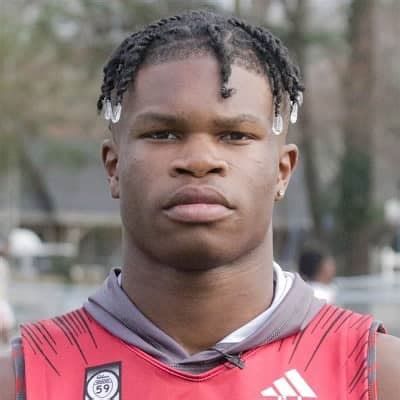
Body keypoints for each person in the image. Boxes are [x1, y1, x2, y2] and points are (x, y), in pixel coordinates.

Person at [1, 9, 400, 399]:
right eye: (163, 134)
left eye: (235, 135)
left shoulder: (375, 375)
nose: (199, 161)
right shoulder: (26, 379)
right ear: (113, 166)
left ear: (282, 171)